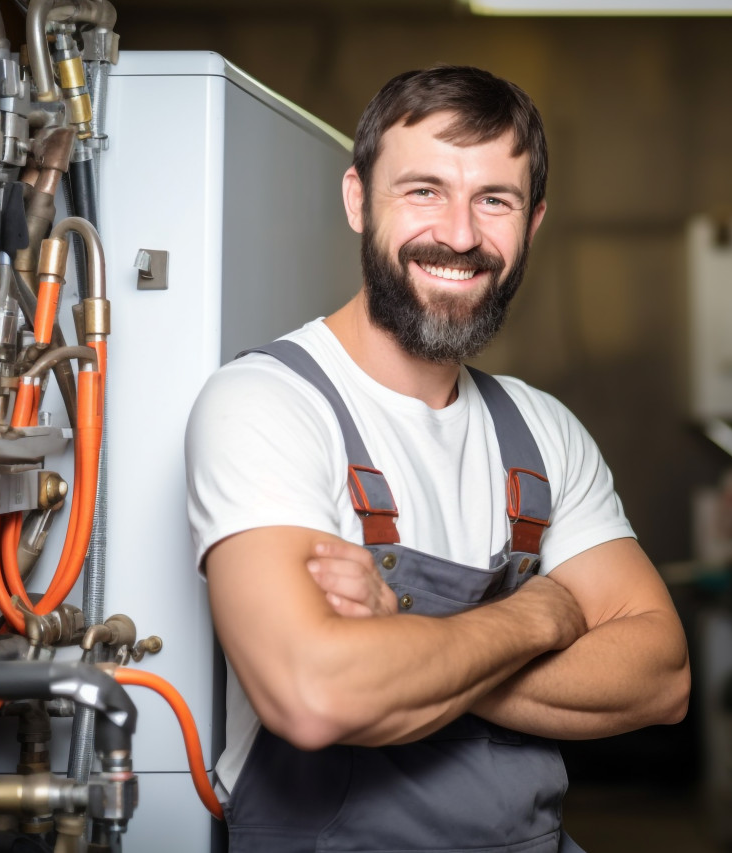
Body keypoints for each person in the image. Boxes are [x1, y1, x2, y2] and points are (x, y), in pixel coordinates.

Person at [185, 65, 690, 853]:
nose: (459, 234)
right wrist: (539, 616)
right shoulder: (266, 404)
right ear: (359, 199)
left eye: (495, 199)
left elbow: (661, 676)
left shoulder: (542, 429)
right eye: (423, 190)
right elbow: (316, 692)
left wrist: (407, 633)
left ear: (535, 220)